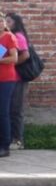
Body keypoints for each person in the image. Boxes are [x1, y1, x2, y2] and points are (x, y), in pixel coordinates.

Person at [5, 13, 30, 150]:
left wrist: (11, 64)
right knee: (7, 109)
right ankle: (8, 138)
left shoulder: (18, 36)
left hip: (17, 78)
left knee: (16, 109)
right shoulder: (6, 37)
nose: (6, 24)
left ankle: (18, 140)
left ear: (15, 23)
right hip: (7, 79)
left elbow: (25, 55)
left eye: (9, 21)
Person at [0, 15, 18, 158]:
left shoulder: (9, 37)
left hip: (6, 80)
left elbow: (14, 58)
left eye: (1, 21)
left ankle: (5, 146)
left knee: (3, 112)